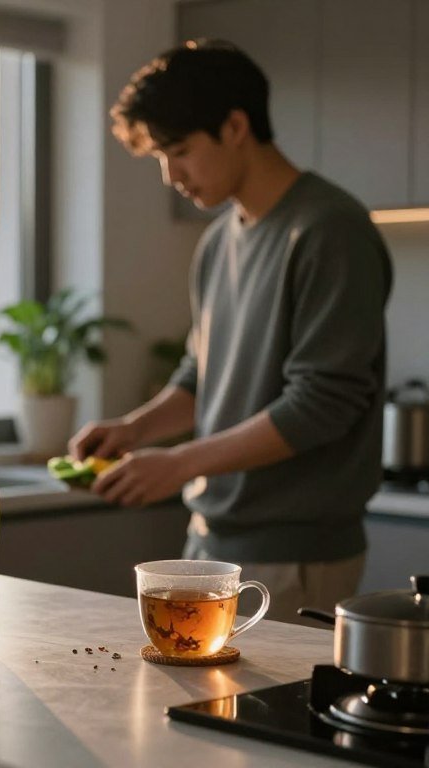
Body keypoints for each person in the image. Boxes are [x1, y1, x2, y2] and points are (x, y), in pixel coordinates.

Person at [70, 40, 393, 623]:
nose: (171, 176)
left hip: (295, 557)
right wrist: (135, 429)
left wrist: (178, 464)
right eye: (161, 158)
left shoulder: (329, 230)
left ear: (236, 125)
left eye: (181, 152)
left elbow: (322, 403)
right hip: (210, 542)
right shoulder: (218, 241)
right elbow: (201, 377)